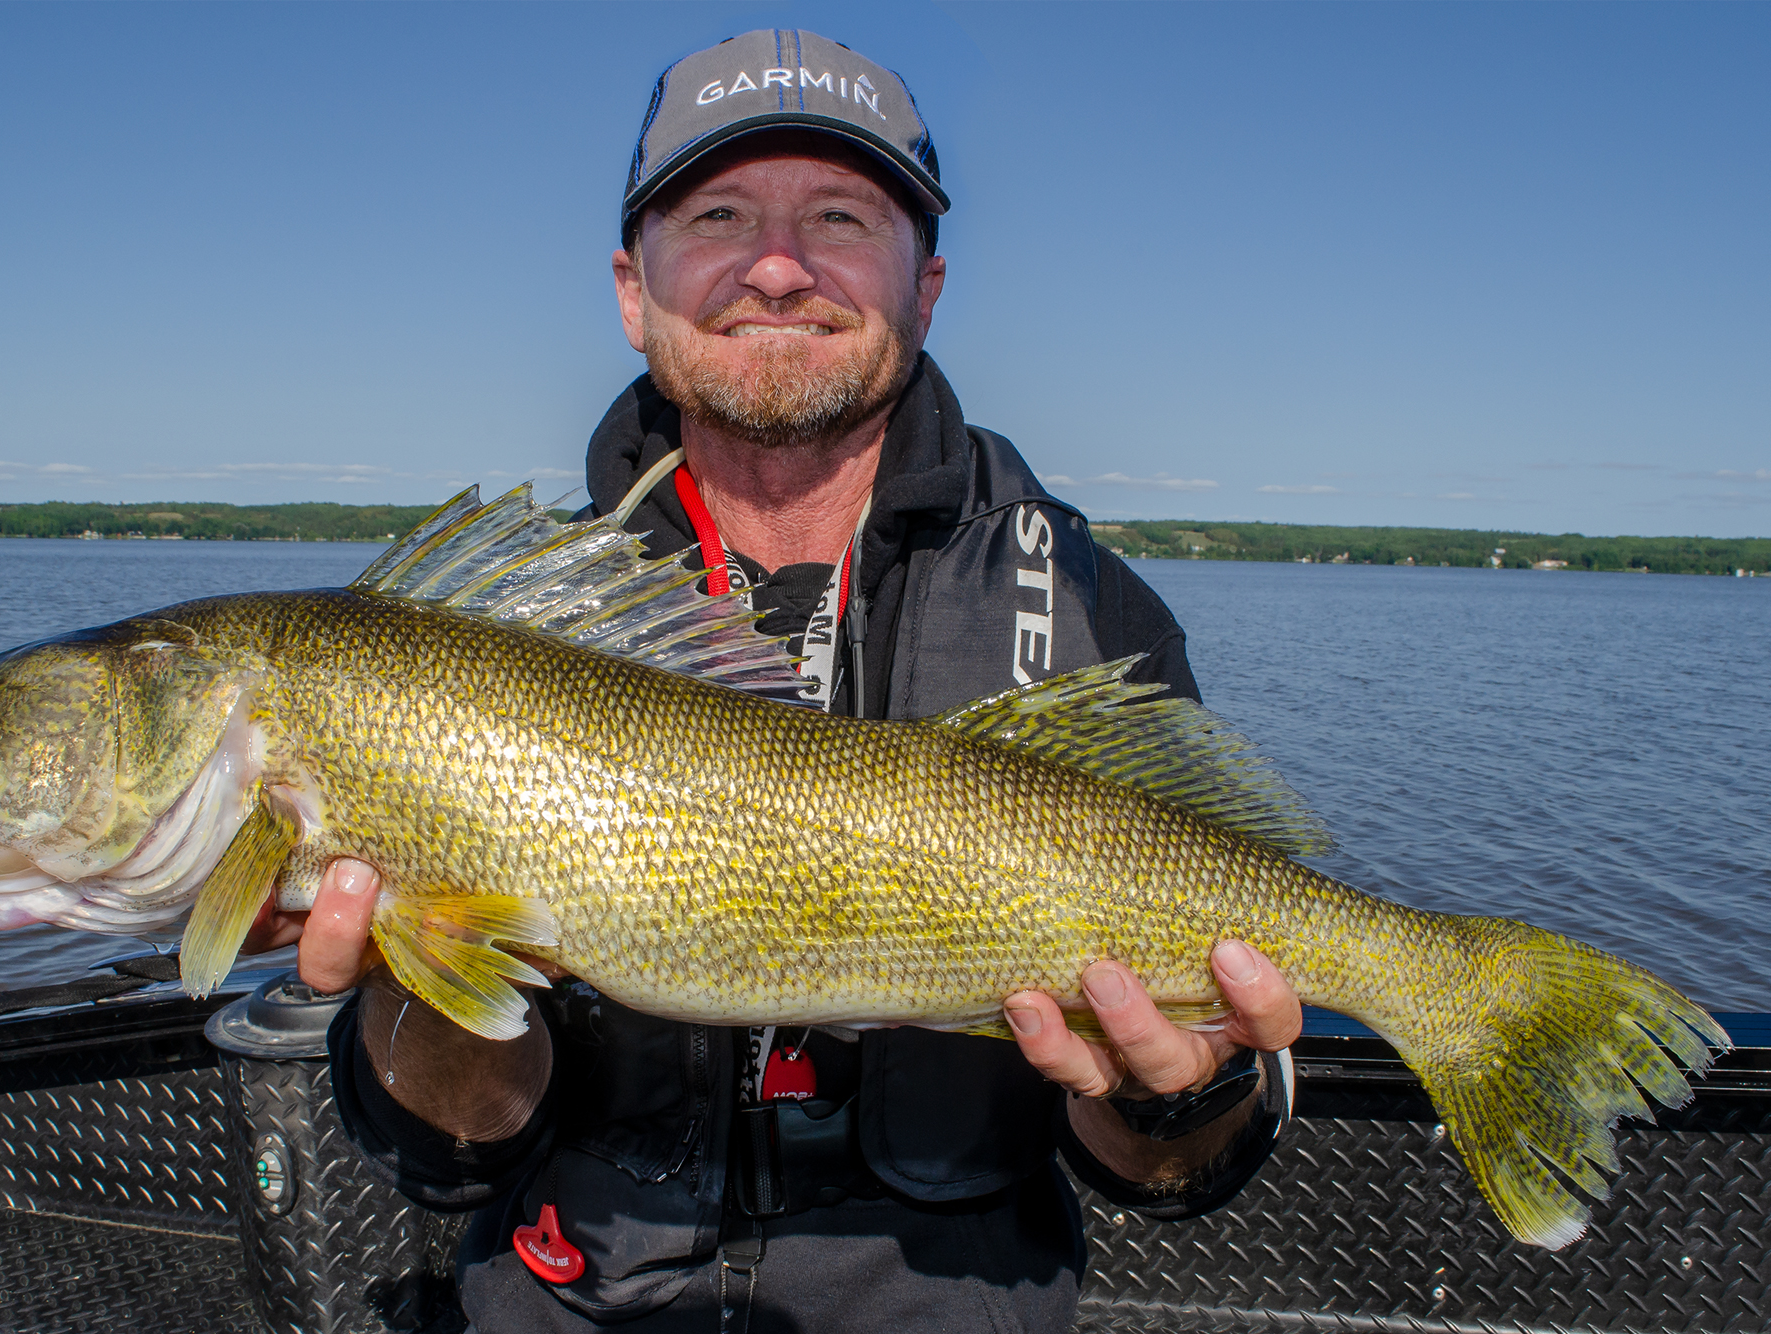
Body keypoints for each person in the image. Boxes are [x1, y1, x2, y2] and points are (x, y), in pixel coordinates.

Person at [245, 29, 1304, 1333]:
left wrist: (1177, 1092)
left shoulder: (1087, 610)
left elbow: (1171, 1171)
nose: (779, 263)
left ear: (928, 285)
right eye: (720, 213)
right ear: (633, 289)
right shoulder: (501, 630)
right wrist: (424, 981)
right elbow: (443, 1148)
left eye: (843, 216)